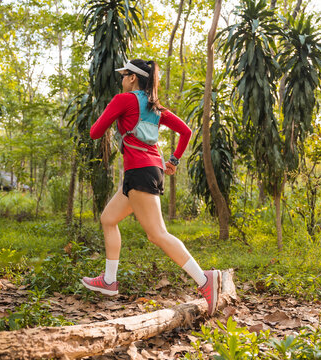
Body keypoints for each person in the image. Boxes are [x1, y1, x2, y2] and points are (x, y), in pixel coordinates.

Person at [81, 59, 221, 315]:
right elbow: (186, 131)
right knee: (108, 218)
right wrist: (174, 160)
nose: (122, 80)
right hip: (149, 170)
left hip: (140, 173)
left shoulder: (123, 100)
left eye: (124, 75)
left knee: (157, 234)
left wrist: (110, 117)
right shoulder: (156, 108)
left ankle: (204, 280)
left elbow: (94, 132)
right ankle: (109, 281)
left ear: (133, 78)